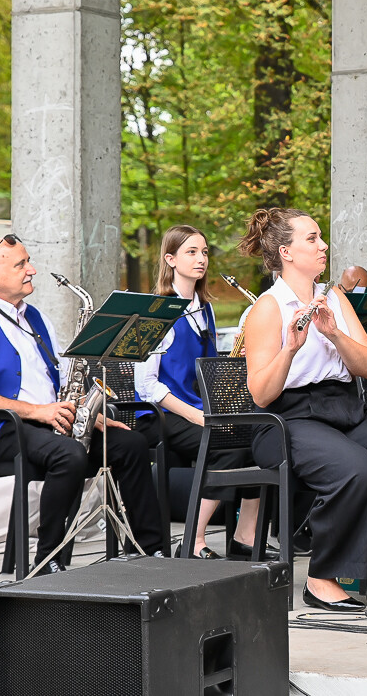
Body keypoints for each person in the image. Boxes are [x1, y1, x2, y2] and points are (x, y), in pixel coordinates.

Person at [0, 235, 163, 572]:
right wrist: (38, 412)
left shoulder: (37, 319)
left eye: (28, 261)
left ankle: (149, 550)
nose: (33, 270)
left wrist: (88, 414)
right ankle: (49, 560)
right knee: (68, 453)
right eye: (21, 264)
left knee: (130, 443)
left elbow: (57, 385)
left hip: (46, 421)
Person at [239, 208, 367, 612]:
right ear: (286, 252)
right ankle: (321, 577)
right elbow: (260, 395)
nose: (323, 245)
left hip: (342, 411)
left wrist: (333, 333)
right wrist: (290, 347)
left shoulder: (335, 297)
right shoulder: (268, 308)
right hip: (286, 420)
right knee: (357, 469)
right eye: (312, 239)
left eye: (320, 237)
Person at [134, 225, 271, 560]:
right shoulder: (156, 311)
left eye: (205, 252)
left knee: (259, 440)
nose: (201, 259)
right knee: (225, 444)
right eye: (191, 252)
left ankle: (244, 537)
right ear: (170, 259)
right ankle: (192, 541)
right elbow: (146, 385)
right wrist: (196, 414)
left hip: (200, 409)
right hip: (161, 414)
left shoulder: (205, 308)